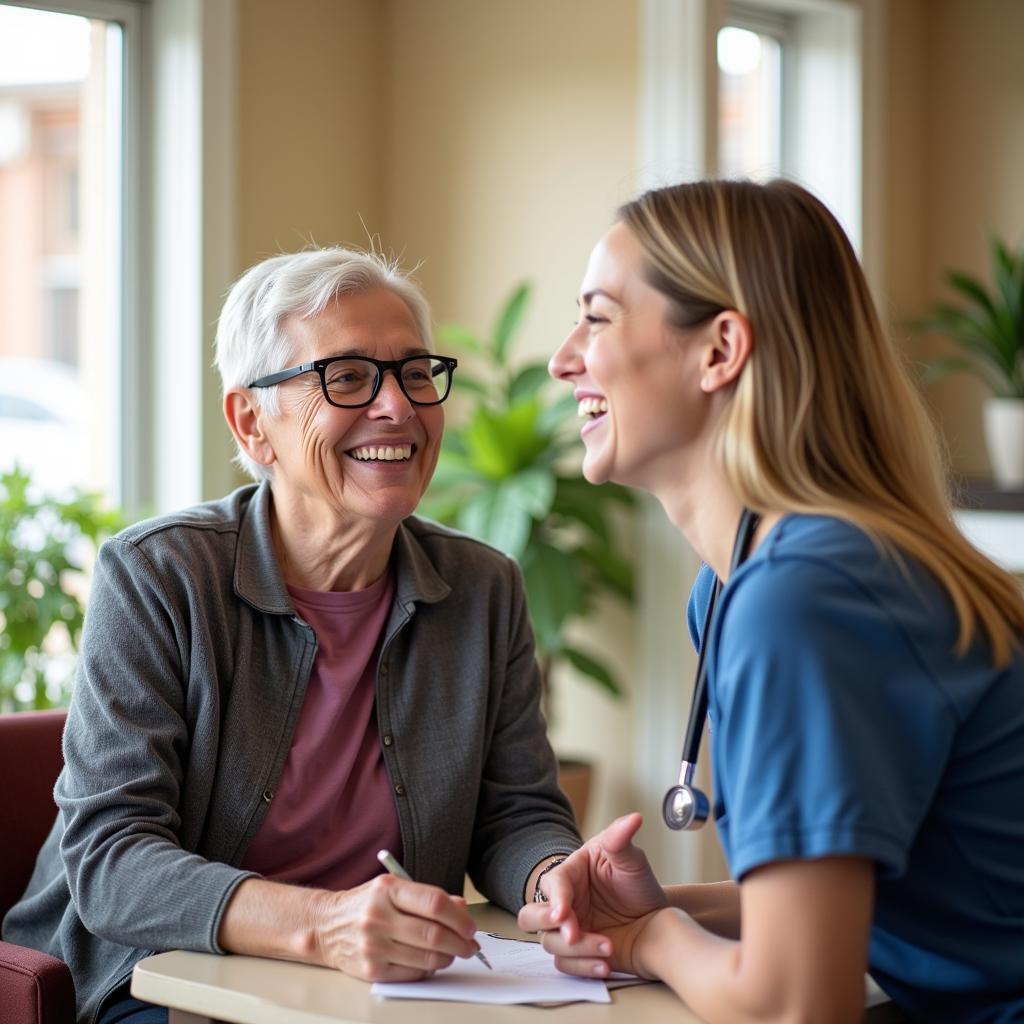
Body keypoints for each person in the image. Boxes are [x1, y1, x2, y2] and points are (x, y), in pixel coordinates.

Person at [3, 247, 580, 1024]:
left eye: (415, 373)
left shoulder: (483, 586)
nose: (398, 408)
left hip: (380, 993)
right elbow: (112, 863)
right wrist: (324, 926)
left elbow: (515, 814)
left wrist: (556, 879)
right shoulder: (157, 575)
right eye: (346, 377)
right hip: (159, 981)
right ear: (252, 420)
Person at [519, 179, 1024, 1023]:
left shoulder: (805, 599)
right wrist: (658, 908)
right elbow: (839, 908)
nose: (563, 357)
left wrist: (648, 940)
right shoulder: (742, 584)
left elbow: (796, 1002)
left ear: (719, 351)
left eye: (598, 317)